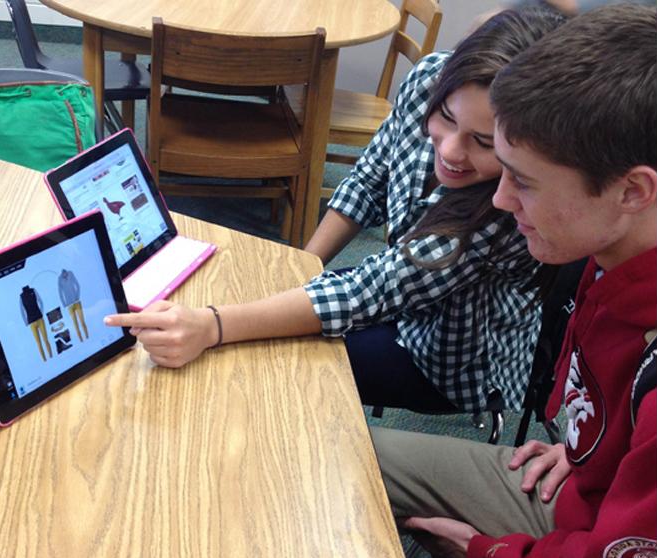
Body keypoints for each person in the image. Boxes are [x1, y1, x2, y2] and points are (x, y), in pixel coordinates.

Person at [104, 7, 567, 416]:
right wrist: (303, 269)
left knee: (263, 354)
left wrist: (215, 325)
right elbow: (367, 182)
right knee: (257, 316)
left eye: (483, 143)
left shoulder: (509, 206)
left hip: (450, 357)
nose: (450, 148)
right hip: (394, 296)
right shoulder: (431, 77)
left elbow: (374, 291)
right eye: (445, 117)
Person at [371, 5, 656, 558]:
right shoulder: (611, 248)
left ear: (633, 190)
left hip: (600, 555)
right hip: (583, 489)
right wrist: (586, 456)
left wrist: (486, 557)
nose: (500, 200)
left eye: (522, 181)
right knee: (340, 449)